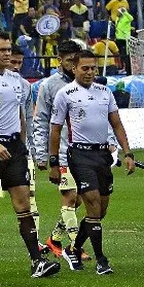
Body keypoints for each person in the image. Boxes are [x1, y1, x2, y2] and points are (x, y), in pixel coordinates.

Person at [0, 31, 60, 279]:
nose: (7, 54)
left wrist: (22, 143)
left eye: (9, 49)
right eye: (2, 50)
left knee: (23, 204)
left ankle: (36, 261)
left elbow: (21, 115)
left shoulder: (18, 81)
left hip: (14, 149)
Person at [49, 51, 135, 274]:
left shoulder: (105, 92)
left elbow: (116, 124)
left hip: (102, 155)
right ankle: (101, 260)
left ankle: (74, 248)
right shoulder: (65, 94)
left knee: (100, 210)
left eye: (92, 68)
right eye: (84, 68)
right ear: (74, 69)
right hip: (79, 155)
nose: (89, 72)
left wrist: (127, 153)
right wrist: (53, 162)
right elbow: (56, 129)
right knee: (93, 203)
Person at [33, 40, 84, 257]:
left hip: (85, 151)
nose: (73, 64)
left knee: (80, 199)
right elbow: (40, 120)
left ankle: (54, 239)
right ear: (60, 60)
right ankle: (74, 248)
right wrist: (42, 155)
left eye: (76, 60)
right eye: (69, 60)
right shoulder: (49, 86)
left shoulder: (86, 82)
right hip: (61, 152)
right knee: (70, 197)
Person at [8, 45, 40, 248]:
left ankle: (35, 242)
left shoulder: (25, 86)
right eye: (13, 62)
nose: (17, 67)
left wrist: (34, 149)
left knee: (30, 195)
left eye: (20, 63)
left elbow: (29, 117)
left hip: (21, 150)